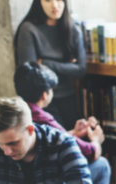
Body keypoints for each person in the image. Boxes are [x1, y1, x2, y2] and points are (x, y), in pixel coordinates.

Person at [13, 61, 111, 184]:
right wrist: (96, 140)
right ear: (45, 94)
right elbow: (89, 153)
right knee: (102, 164)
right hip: (52, 181)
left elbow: (47, 140)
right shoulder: (42, 117)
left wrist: (72, 133)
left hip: (25, 182)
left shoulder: (16, 112)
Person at [15, 0, 87, 130]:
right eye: (48, 0)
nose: (55, 5)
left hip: (67, 93)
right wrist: (66, 66)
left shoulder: (73, 28)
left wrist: (46, 63)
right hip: (41, 98)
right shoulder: (29, 29)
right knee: (59, 140)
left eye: (59, 0)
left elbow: (81, 70)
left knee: (78, 135)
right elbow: (30, 74)